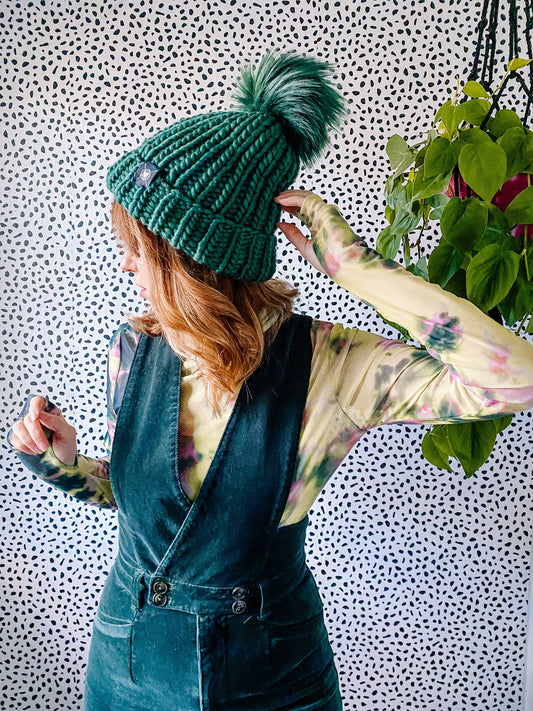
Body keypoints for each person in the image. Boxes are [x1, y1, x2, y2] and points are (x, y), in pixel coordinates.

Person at [6, 51, 533, 711]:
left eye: (139, 250)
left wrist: (355, 269)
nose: (126, 267)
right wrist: (62, 464)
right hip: (127, 672)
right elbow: (149, 510)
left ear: (190, 261)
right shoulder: (132, 349)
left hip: (274, 686)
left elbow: (517, 378)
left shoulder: (330, 366)